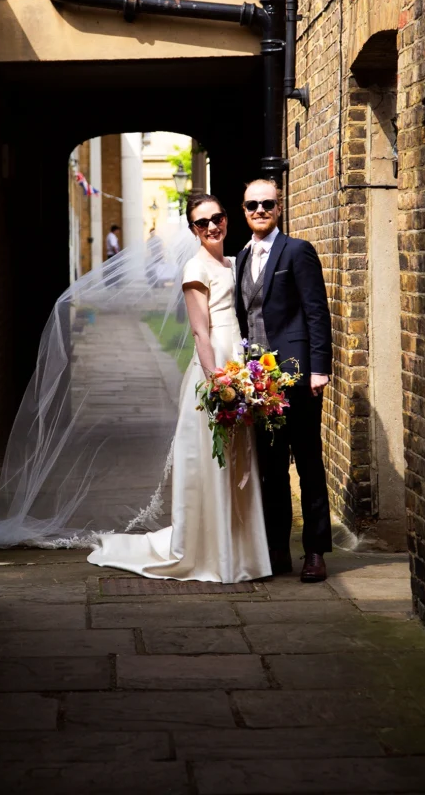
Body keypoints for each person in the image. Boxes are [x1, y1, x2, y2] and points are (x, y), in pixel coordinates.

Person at [87, 194, 271, 582]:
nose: (211, 227)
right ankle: (209, 550)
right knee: (212, 459)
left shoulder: (235, 263)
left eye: (216, 218)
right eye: (201, 223)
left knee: (240, 455)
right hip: (216, 369)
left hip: (239, 357)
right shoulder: (194, 267)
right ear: (192, 230)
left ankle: (241, 550)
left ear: (226, 219)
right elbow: (200, 331)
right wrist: (217, 380)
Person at [235, 178, 333, 582]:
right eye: (252, 204)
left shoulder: (298, 251)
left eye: (267, 204)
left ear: (279, 208)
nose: (259, 210)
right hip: (259, 380)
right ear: (244, 210)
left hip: (297, 375)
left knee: (308, 463)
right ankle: (278, 550)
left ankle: (314, 551)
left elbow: (316, 312)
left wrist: (319, 368)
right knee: (271, 469)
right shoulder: (239, 257)